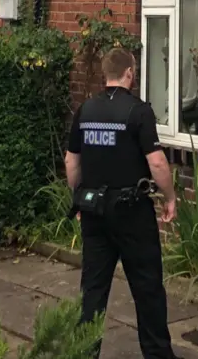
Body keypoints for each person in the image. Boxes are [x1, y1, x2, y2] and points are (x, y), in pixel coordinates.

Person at [64, 47, 181, 359]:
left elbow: (71, 162)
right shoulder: (139, 111)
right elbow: (156, 163)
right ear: (130, 72)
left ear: (105, 73)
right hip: (132, 212)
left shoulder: (85, 110)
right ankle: (158, 354)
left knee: (93, 289)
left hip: (94, 212)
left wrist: (78, 200)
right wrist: (170, 197)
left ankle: (84, 353)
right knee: (147, 287)